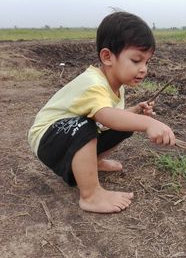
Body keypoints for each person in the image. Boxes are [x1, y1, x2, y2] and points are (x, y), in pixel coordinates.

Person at [28, 11, 176, 213]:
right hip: (47, 137)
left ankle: (91, 163)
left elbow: (112, 119)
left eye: (147, 62)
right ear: (107, 57)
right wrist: (149, 124)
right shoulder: (93, 83)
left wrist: (136, 113)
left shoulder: (117, 86)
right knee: (86, 127)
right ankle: (91, 195)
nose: (143, 69)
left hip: (68, 136)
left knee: (125, 125)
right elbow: (105, 116)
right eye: (136, 60)